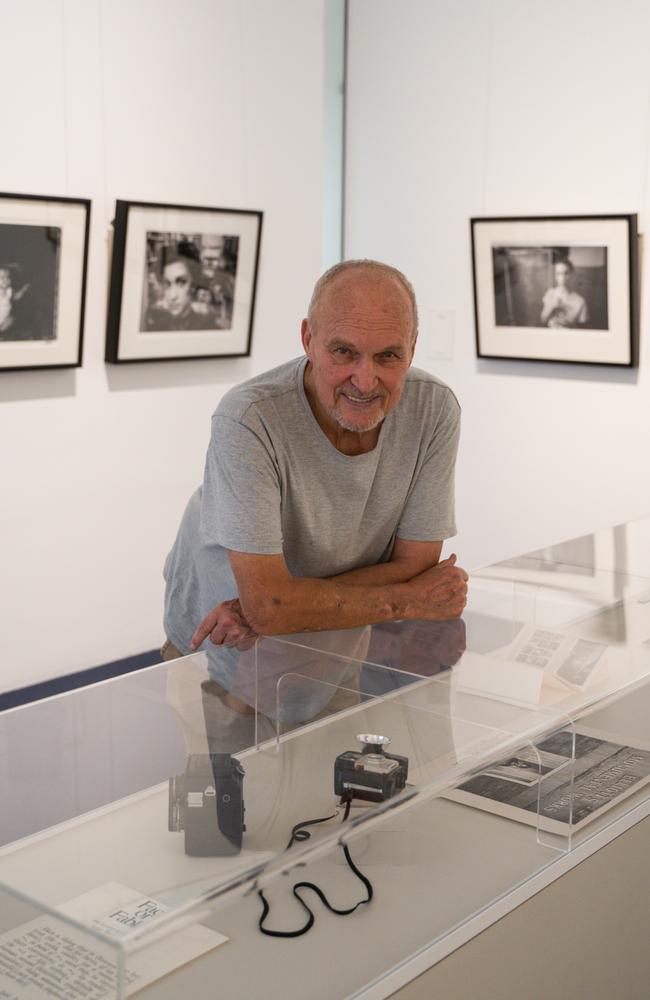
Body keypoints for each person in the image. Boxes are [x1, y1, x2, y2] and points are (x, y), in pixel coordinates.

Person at [161, 259, 467, 750]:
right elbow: (274, 604)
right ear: (308, 338)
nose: (364, 381)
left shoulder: (434, 409)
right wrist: (413, 599)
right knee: (222, 811)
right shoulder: (248, 418)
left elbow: (416, 562)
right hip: (223, 648)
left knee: (327, 802)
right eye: (344, 352)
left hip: (329, 642)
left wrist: (276, 606)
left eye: (388, 356)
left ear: (412, 348)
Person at [145, 251, 208, 332]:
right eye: (167, 284)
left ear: (193, 286)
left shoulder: (207, 328)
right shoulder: (155, 328)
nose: (172, 296)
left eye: (181, 283)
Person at [540, 259, 588, 328]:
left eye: (566, 273)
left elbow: (584, 329)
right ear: (555, 275)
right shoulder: (550, 294)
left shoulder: (580, 301)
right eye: (558, 273)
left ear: (572, 274)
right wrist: (551, 307)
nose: (562, 278)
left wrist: (570, 325)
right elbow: (542, 320)